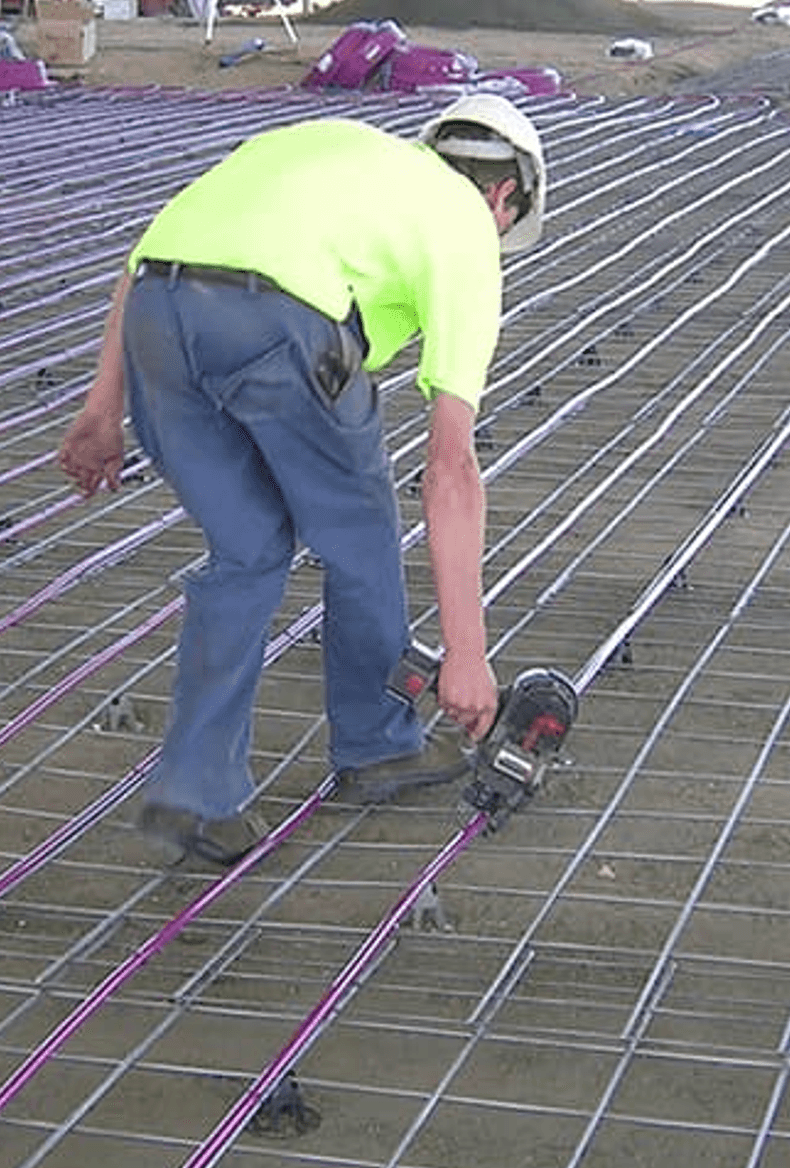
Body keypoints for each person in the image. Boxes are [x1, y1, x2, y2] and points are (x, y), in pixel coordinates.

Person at [57, 94, 548, 870]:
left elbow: (143, 261)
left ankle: (197, 793)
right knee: (361, 535)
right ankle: (378, 745)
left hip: (158, 315)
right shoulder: (464, 223)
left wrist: (100, 409)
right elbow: (450, 467)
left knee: (248, 548)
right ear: (502, 196)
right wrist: (466, 654)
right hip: (281, 322)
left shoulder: (329, 147)